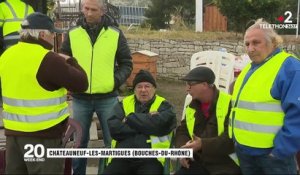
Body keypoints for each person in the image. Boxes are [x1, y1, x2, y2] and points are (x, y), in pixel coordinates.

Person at [0, 12, 88, 174]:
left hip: (13, 137)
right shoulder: (48, 59)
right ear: (42, 34)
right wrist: (69, 60)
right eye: (52, 33)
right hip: (43, 138)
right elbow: (82, 83)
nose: (53, 36)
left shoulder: (6, 56)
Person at [60, 0, 133, 174]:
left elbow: (126, 63)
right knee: (79, 143)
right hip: (80, 98)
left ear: (102, 11)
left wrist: (113, 82)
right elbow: (63, 60)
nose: (89, 13)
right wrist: (71, 81)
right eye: (86, 8)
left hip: (108, 98)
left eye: (93, 9)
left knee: (111, 142)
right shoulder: (72, 33)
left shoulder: (115, 34)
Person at [229, 18, 300, 175]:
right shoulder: (250, 68)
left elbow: (297, 114)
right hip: (245, 150)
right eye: (247, 44)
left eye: (256, 43)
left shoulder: (289, 67)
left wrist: (281, 150)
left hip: (273, 156)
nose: (250, 49)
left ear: (273, 42)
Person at [103, 69, 177, 174]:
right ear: (134, 90)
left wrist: (129, 119)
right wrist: (147, 124)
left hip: (152, 158)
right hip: (123, 156)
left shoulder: (164, 105)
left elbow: (161, 126)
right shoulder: (123, 103)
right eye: (139, 87)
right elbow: (114, 129)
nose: (143, 90)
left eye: (147, 86)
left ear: (154, 89)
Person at [175, 67, 240, 175]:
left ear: (205, 85)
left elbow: (232, 139)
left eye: (190, 84)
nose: (187, 89)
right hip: (197, 162)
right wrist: (184, 150)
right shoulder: (192, 106)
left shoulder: (229, 103)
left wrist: (202, 145)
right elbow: (182, 131)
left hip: (225, 164)